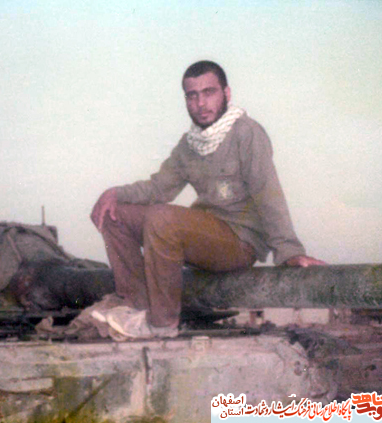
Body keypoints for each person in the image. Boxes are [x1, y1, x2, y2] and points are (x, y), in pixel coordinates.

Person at [90, 60, 325, 340]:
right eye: (192, 95)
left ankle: (161, 325)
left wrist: (290, 251)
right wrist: (114, 194)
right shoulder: (189, 144)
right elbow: (158, 188)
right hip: (204, 233)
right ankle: (136, 307)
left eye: (209, 92)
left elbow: (268, 191)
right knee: (114, 213)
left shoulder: (246, 132)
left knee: (161, 217)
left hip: (239, 241)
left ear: (226, 93)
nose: (201, 103)